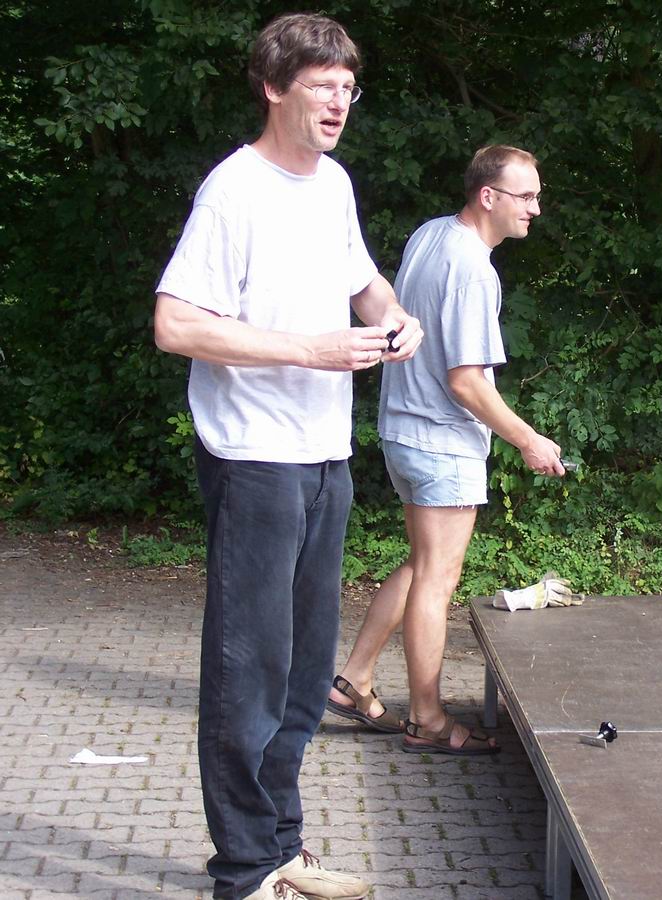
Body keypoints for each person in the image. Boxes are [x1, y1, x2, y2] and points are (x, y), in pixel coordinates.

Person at [153, 13, 422, 900]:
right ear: (274, 89)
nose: (339, 102)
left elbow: (362, 280)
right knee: (250, 671)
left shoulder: (333, 184)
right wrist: (310, 349)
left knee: (306, 672)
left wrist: (393, 315)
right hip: (253, 457)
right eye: (321, 86)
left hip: (323, 456)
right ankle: (243, 872)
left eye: (349, 87)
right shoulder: (234, 191)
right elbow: (175, 323)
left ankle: (282, 849)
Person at [326, 145, 562, 754]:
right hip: (442, 442)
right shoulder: (474, 270)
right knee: (438, 578)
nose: (535, 208)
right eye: (526, 196)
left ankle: (353, 680)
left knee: (420, 565)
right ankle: (427, 719)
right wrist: (529, 440)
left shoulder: (432, 234)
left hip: (404, 432)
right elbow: (467, 382)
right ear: (488, 196)